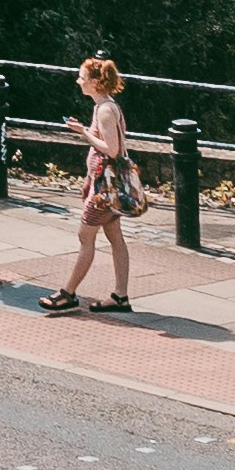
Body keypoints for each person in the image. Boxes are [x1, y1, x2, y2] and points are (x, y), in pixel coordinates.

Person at [43, 51, 141, 314]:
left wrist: (85, 133)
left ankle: (68, 294)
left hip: (105, 190)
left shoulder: (106, 110)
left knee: (85, 237)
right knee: (115, 237)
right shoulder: (102, 106)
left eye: (82, 77)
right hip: (102, 185)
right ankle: (120, 296)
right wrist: (88, 180)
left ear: (96, 82)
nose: (78, 81)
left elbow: (111, 149)